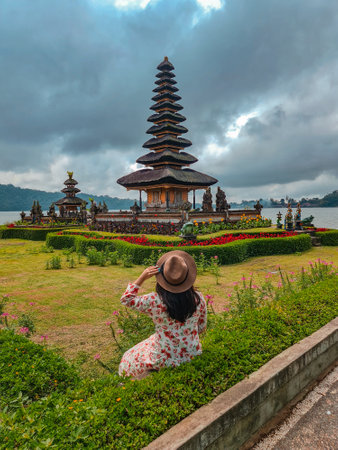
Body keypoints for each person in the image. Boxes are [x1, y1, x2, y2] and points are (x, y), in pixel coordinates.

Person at [118, 250, 207, 379]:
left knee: (128, 357)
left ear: (161, 278)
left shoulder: (155, 301)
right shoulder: (198, 299)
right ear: (187, 277)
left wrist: (142, 277)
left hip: (164, 358)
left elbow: (126, 300)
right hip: (192, 352)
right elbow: (201, 327)